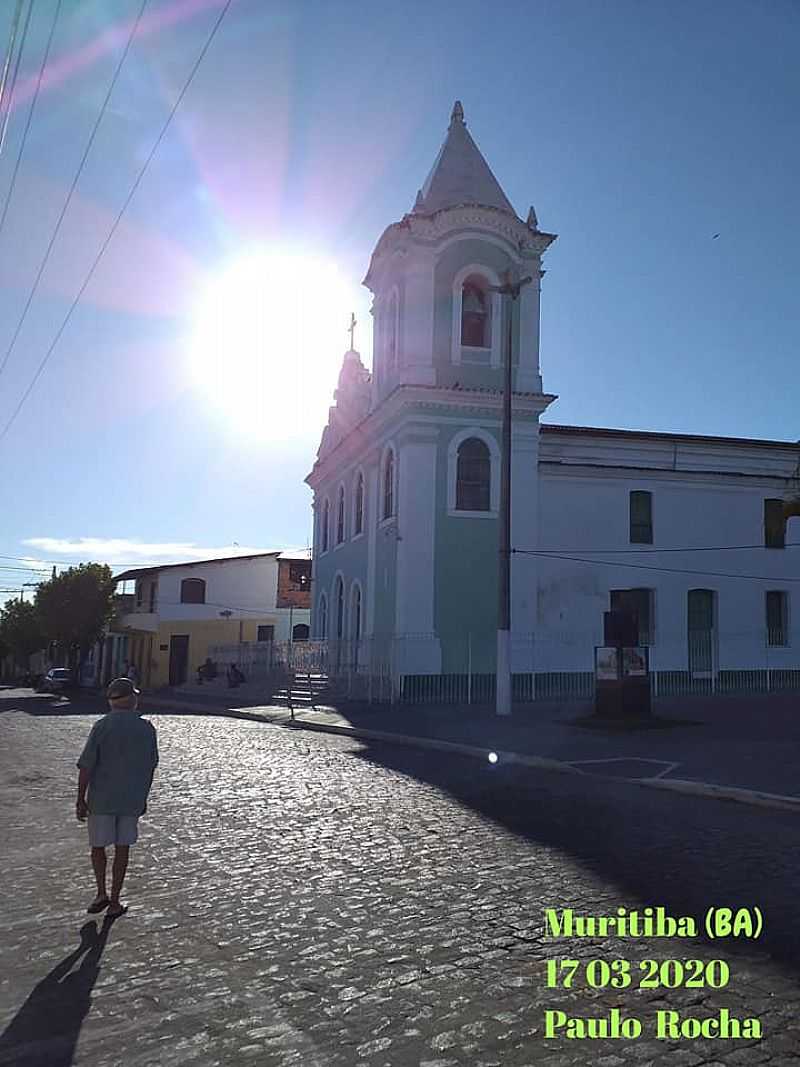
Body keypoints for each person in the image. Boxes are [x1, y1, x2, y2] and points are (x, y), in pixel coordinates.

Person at [75, 677, 159, 918]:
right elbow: (151, 765)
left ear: (112, 702)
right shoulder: (146, 728)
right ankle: (114, 900)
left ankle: (100, 891)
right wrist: (143, 796)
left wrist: (81, 798)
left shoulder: (102, 726)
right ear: (132, 700)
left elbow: (86, 766)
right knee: (123, 849)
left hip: (102, 798)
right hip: (131, 799)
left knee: (98, 847)